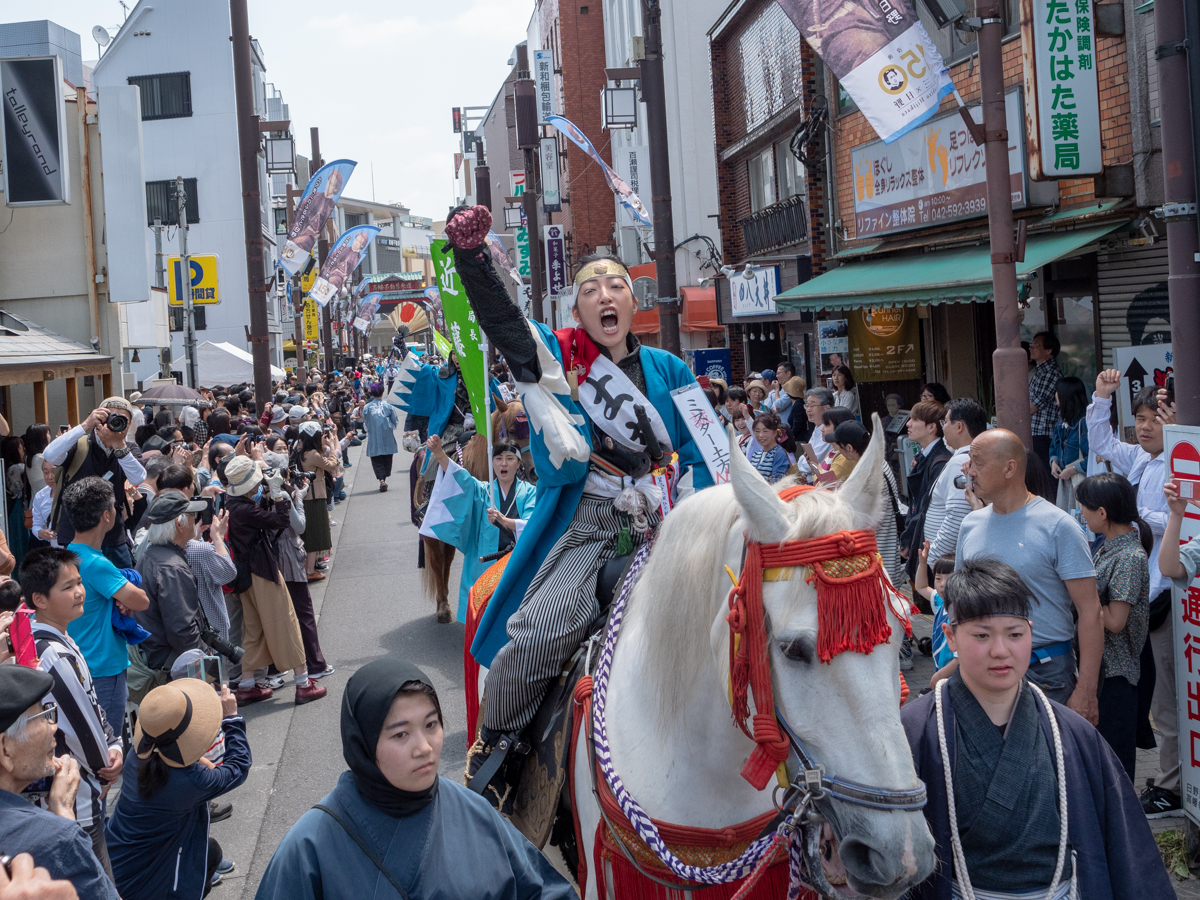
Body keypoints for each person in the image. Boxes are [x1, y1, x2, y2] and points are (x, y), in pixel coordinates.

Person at [445, 213, 713, 809]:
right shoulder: (563, 363)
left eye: (614, 285)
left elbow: (707, 450)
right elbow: (510, 330)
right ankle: (496, 752)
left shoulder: (671, 369)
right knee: (538, 635)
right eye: (589, 290)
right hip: (593, 524)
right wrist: (473, 262)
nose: (603, 296)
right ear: (579, 312)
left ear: (632, 301)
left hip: (671, 520)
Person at [901, 559, 1173, 900]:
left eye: (1015, 634)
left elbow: (1125, 843)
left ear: (1031, 632)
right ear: (950, 636)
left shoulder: (1073, 734)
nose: (1000, 650)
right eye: (981, 635)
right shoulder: (916, 729)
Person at [254, 657, 578, 900]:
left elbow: (545, 891)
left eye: (431, 725)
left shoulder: (473, 812)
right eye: (400, 734)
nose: (424, 748)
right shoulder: (309, 848)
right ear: (363, 745)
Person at [954, 429, 1103, 721]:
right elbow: (959, 604)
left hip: (1047, 671)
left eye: (977, 462)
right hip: (982, 668)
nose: (969, 471)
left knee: (1049, 762)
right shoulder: (970, 525)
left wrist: (1086, 689)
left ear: (1010, 468)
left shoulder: (1058, 526)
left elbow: (1090, 611)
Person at [1087, 369, 1174, 816]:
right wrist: (1102, 396)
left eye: (1154, 419)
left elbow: (1165, 522)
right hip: (1150, 595)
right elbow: (1102, 442)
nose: (1143, 427)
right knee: (1153, 698)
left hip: (1168, 592)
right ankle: (1169, 784)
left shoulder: (1180, 462)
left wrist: (1131, 513)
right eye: (1139, 418)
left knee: (1164, 698)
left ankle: (1172, 788)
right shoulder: (1140, 459)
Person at [21, 548, 123, 879]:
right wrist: (105, 764)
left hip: (77, 790)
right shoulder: (52, 655)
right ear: (40, 599)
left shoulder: (54, 639)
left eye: (79, 583)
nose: (79, 592)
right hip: (75, 799)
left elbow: (90, 705)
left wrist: (114, 743)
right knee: (98, 883)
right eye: (67, 587)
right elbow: (80, 725)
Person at [105, 679, 250, 900]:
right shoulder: (190, 782)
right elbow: (238, 766)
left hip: (115, 865)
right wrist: (231, 718)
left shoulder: (137, 755)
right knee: (210, 853)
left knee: (207, 850)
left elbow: (175, 759)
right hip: (143, 884)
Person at [0, 666, 117, 900]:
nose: (54, 726)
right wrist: (64, 815)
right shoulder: (58, 838)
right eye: (42, 716)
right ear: (5, 750)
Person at [223, 454, 325, 705]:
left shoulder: (232, 505)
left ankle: (247, 685)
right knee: (285, 623)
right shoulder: (245, 510)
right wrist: (279, 494)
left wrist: (271, 494)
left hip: (244, 577)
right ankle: (303, 682)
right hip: (263, 572)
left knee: (253, 629)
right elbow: (280, 520)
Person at [60, 477, 150, 739]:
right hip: (104, 668)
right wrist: (124, 601)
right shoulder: (96, 564)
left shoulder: (69, 555)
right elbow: (140, 600)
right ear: (107, 515)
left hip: (78, 664)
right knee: (106, 750)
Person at [1076, 473, 1150, 783]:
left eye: (1085, 507)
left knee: (1114, 774)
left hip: (1117, 676)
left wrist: (1082, 595)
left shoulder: (1130, 556)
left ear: (1102, 513)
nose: (1081, 513)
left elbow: (1117, 621)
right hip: (1104, 671)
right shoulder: (1109, 547)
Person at [421, 437, 538, 623]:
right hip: (485, 562)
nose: (504, 464)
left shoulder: (530, 492)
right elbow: (461, 478)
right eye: (498, 459)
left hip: (515, 562)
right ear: (492, 463)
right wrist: (439, 454)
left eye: (510, 458)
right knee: (481, 619)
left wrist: (504, 521)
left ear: (519, 463)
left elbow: (532, 524)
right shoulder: (482, 490)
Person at [43, 400, 146, 568]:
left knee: (122, 587)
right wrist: (85, 424)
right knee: (80, 589)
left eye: (121, 419)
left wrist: (118, 444)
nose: (113, 422)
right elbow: (50, 455)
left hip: (113, 535)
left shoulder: (129, 449)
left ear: (127, 426)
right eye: (109, 416)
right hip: (76, 535)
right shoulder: (79, 444)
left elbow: (138, 478)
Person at [132, 492, 209, 683]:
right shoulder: (172, 568)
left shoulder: (150, 555)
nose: (195, 520)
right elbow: (182, 630)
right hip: (173, 666)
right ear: (179, 523)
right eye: (191, 516)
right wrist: (205, 668)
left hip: (156, 657)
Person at [923, 399, 987, 568]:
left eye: (945, 422)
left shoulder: (961, 462)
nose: (942, 427)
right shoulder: (965, 458)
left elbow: (957, 516)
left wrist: (933, 559)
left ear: (959, 427)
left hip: (947, 565)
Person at [899, 400, 951, 582]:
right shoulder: (927, 455)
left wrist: (909, 541)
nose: (908, 424)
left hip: (930, 542)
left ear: (931, 427)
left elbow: (924, 507)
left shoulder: (940, 461)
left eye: (914, 419)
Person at [294, 425, 339, 579]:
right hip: (314, 497)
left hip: (305, 496)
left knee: (309, 534)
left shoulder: (299, 449)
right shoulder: (312, 454)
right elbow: (331, 464)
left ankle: (308, 569)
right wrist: (332, 446)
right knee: (314, 535)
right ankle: (310, 571)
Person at [913, 544, 956, 686]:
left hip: (956, 676)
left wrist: (940, 675)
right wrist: (923, 563)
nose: (943, 584)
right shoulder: (939, 601)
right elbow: (921, 587)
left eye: (949, 578)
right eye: (938, 578)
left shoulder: (962, 612)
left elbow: (961, 656)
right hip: (942, 673)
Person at [1049, 375, 1090, 512]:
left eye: (1058, 392)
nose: (1055, 395)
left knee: (1081, 519)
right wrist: (1053, 461)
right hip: (1065, 479)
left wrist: (1072, 470)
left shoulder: (1085, 422)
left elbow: (1092, 458)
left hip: (1079, 479)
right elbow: (1054, 445)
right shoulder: (1062, 420)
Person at [1028, 331, 1063, 472]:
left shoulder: (1050, 373)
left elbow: (1032, 407)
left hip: (1043, 434)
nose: (1031, 348)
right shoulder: (1040, 371)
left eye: (1036, 345)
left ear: (1049, 351)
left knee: (1044, 475)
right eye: (1031, 344)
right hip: (1036, 432)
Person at [363, 382, 400, 492]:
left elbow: (365, 425)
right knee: (387, 459)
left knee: (376, 460)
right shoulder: (388, 406)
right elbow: (395, 422)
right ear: (383, 392)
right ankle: (384, 478)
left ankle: (381, 480)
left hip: (374, 438)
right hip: (387, 437)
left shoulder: (367, 407)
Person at [747, 412, 790, 483]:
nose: (761, 435)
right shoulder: (756, 454)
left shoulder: (779, 453)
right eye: (757, 431)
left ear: (775, 433)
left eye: (765, 431)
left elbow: (777, 483)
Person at [30, 458, 58, 549]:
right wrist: (40, 533)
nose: (50, 477)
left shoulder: (71, 493)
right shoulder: (40, 496)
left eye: (53, 472)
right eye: (46, 473)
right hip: (55, 550)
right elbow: (36, 524)